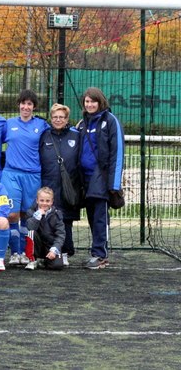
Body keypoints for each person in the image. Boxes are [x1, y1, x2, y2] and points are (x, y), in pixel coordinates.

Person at [77, 87, 125, 270]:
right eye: (86, 101)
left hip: (102, 178)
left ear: (100, 101)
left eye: (93, 101)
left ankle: (100, 255)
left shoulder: (111, 121)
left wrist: (114, 184)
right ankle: (96, 253)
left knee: (100, 218)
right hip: (85, 179)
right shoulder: (82, 123)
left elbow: (118, 152)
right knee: (91, 217)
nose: (89, 105)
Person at [1, 89, 49, 266]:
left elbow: (57, 133)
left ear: (34, 107)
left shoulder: (42, 125)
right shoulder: (9, 123)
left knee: (27, 215)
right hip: (11, 173)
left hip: (33, 175)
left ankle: (26, 252)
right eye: (23, 103)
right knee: (12, 214)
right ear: (19, 105)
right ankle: (14, 252)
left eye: (29, 104)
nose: (26, 106)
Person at [38, 103, 81, 266]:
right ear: (51, 118)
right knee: (48, 218)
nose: (58, 120)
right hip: (49, 183)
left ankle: (65, 252)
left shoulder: (76, 135)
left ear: (67, 119)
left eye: (61, 117)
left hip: (69, 184)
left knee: (66, 219)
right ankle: (45, 252)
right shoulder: (44, 135)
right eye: (55, 117)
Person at [24, 187, 66, 271]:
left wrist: (54, 249)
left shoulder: (57, 215)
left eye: (47, 201)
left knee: (57, 266)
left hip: (50, 245)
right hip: (37, 244)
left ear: (52, 201)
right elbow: (30, 227)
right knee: (32, 232)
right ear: (37, 200)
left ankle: (44, 260)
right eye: (42, 200)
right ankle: (32, 259)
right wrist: (37, 216)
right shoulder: (31, 212)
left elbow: (61, 235)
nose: (44, 203)